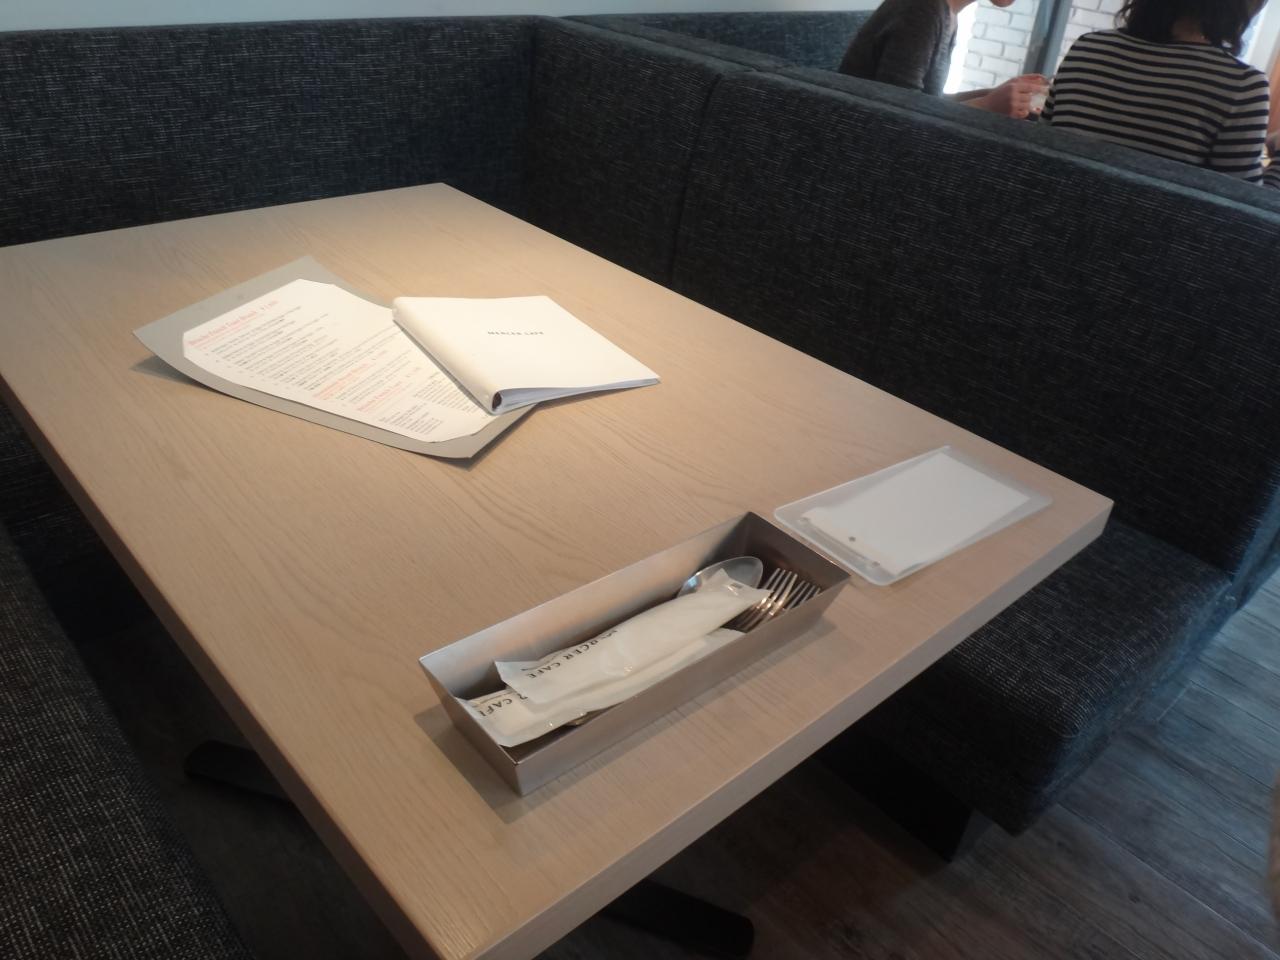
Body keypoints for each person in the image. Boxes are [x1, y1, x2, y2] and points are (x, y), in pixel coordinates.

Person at [1043, 0, 1280, 188]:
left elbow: (1042, 145)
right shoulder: (1241, 84)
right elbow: (1248, 214)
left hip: (1051, 225)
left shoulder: (1087, 47)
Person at [838, 0, 1050, 118]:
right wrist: (985, 106)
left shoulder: (947, 13)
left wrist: (992, 95)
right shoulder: (923, 9)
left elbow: (927, 100)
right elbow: (899, 114)